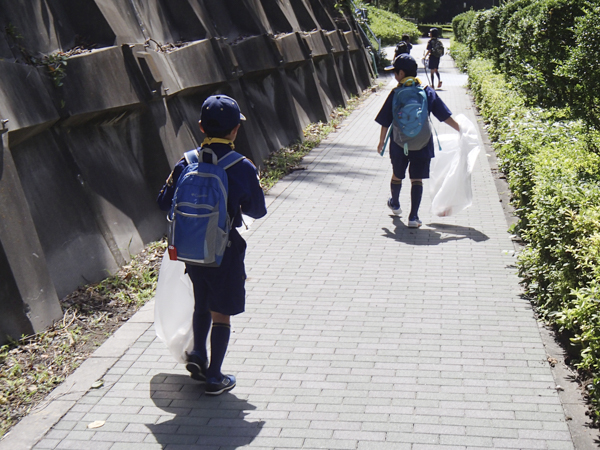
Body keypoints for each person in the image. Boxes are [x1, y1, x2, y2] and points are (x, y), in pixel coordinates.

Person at [157, 95, 267, 395]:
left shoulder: (187, 161)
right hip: (224, 250)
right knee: (222, 312)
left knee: (201, 300)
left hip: (191, 250)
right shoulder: (242, 166)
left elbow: (162, 201)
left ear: (202, 127)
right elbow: (258, 210)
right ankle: (216, 376)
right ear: (235, 130)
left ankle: (198, 354)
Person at [375, 54, 460, 228]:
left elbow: (386, 120)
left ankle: (396, 203)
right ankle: (413, 217)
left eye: (395, 73)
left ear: (401, 72)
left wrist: (381, 141)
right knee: (417, 179)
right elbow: (443, 115)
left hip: (399, 143)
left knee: (397, 174)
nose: (394, 76)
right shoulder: (427, 90)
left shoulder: (396, 92)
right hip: (423, 142)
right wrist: (461, 130)